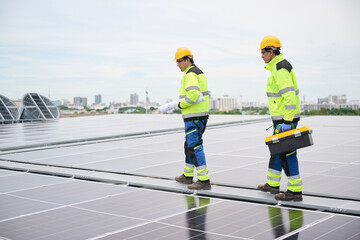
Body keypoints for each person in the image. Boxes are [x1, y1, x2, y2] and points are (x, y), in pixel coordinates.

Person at [257, 36, 303, 201]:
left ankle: (295, 191)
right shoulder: (276, 68)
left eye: (263, 52)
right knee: (277, 151)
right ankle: (272, 184)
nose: (261, 56)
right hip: (281, 120)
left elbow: (289, 96)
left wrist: (287, 122)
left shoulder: (281, 68)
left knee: (287, 154)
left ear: (271, 51)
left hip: (285, 121)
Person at [173, 47, 211, 190]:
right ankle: (187, 175)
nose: (178, 64)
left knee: (195, 146)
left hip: (194, 116)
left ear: (188, 60)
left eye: (179, 61)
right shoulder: (199, 73)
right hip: (200, 116)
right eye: (176, 62)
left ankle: (203, 180)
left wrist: (181, 105)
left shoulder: (190, 74)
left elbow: (193, 95)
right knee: (189, 145)